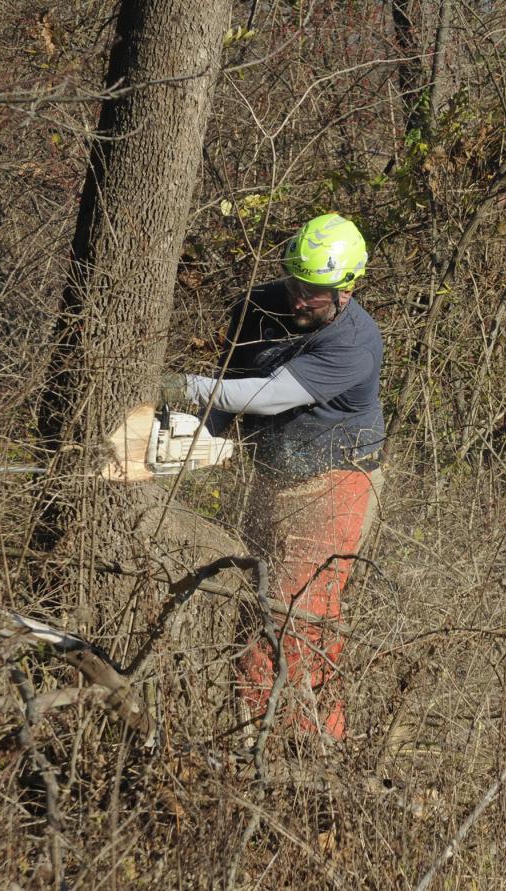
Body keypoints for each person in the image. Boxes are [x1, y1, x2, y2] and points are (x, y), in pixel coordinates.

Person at [159, 212, 385, 743]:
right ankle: (256, 731)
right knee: (256, 603)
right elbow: (234, 377)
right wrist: (205, 430)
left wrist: (182, 387)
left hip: (335, 484)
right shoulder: (258, 306)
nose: (301, 297)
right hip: (273, 480)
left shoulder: (353, 343)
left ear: (347, 288)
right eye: (296, 281)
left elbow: (266, 395)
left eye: (316, 290)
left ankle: (313, 742)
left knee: (295, 615)